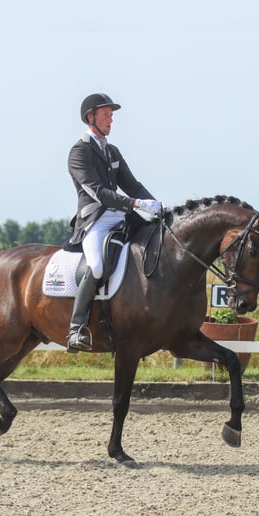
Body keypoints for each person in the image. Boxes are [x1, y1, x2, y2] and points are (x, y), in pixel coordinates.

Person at [66, 93, 163, 352]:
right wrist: (135, 204)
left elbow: (132, 185)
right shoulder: (79, 152)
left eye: (111, 115)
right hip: (95, 219)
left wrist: (158, 206)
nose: (111, 120)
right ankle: (76, 328)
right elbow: (98, 192)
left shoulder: (111, 151)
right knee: (97, 266)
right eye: (106, 115)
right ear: (90, 117)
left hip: (121, 217)